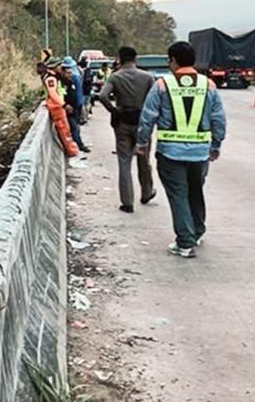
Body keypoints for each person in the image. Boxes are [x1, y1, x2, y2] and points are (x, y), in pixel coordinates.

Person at [136, 41, 226, 258]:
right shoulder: (209, 85)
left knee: (178, 195)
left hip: (170, 152)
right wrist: (216, 145)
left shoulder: (162, 85)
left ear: (173, 60)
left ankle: (185, 243)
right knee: (196, 191)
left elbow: (148, 117)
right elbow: (218, 119)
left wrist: (141, 142)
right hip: (200, 153)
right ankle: (196, 231)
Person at [98, 46, 156, 213]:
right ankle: (146, 192)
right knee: (143, 159)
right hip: (142, 123)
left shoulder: (115, 77)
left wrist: (114, 110)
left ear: (119, 59)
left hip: (122, 123)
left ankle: (127, 202)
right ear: (135, 59)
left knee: (124, 163)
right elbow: (154, 100)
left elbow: (102, 96)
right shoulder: (147, 77)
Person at [61, 57, 90, 152]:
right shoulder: (65, 81)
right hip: (70, 108)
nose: (70, 73)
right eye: (68, 72)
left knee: (75, 127)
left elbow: (78, 93)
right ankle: (79, 145)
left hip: (76, 106)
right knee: (74, 127)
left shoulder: (74, 79)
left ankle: (77, 144)